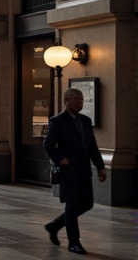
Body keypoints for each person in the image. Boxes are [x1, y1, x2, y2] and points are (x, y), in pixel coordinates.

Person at [43, 87, 107, 255]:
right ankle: (74, 242)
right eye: (75, 99)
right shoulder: (57, 121)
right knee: (72, 206)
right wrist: (60, 158)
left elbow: (92, 147)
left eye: (81, 99)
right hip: (69, 170)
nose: (79, 102)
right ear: (66, 101)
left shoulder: (85, 121)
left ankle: (55, 225)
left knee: (87, 204)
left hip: (85, 170)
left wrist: (100, 167)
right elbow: (48, 144)